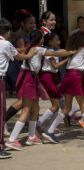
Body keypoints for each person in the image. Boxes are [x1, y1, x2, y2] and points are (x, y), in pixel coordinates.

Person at [5, 29, 75, 151]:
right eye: (43, 37)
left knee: (35, 108)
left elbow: (57, 51)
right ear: (39, 39)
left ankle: (32, 137)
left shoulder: (32, 47)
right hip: (28, 78)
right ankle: (12, 139)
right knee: (26, 110)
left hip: (32, 78)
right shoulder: (38, 49)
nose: (44, 38)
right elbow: (57, 54)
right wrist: (72, 52)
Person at [42, 31, 84, 144]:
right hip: (75, 77)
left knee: (66, 107)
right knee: (82, 105)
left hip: (68, 76)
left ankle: (50, 131)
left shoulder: (77, 50)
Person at [0, 18, 36, 158]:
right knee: (1, 113)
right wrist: (29, 54)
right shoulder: (6, 43)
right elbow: (19, 56)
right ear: (8, 33)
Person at [37, 33, 70, 132]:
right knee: (55, 105)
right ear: (51, 42)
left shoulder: (54, 50)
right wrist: (67, 59)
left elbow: (64, 51)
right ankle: (38, 124)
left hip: (54, 77)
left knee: (58, 103)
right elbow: (55, 66)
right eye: (57, 39)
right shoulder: (48, 52)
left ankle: (50, 126)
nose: (59, 41)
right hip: (47, 77)